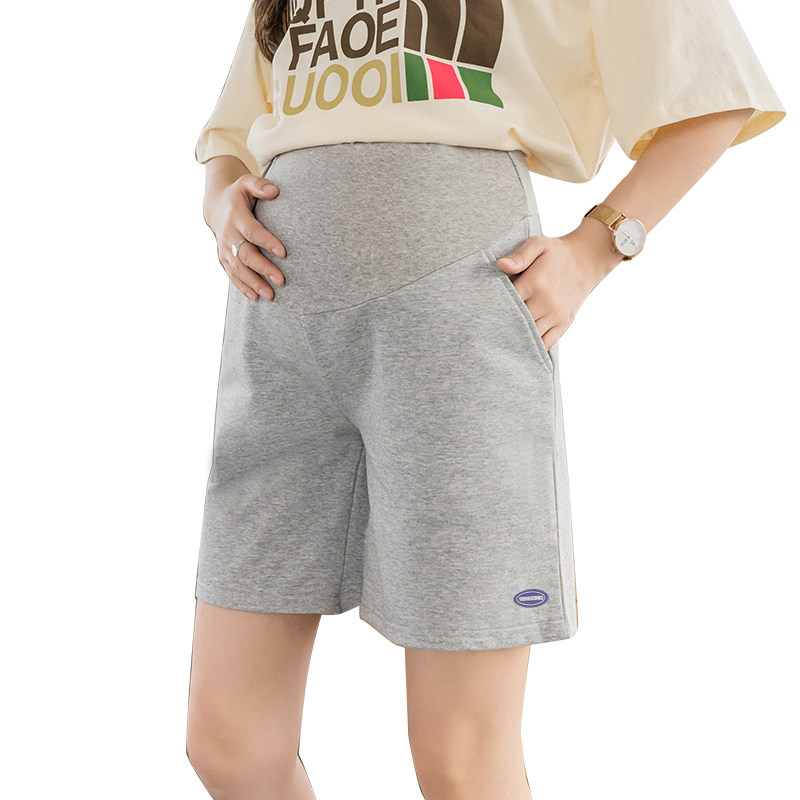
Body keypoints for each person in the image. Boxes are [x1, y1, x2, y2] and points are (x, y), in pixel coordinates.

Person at [186, 1, 786, 797]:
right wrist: (220, 201)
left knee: (460, 757)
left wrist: (600, 244)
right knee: (227, 743)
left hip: (454, 321)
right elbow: (232, 133)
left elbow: (715, 90)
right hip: (275, 335)